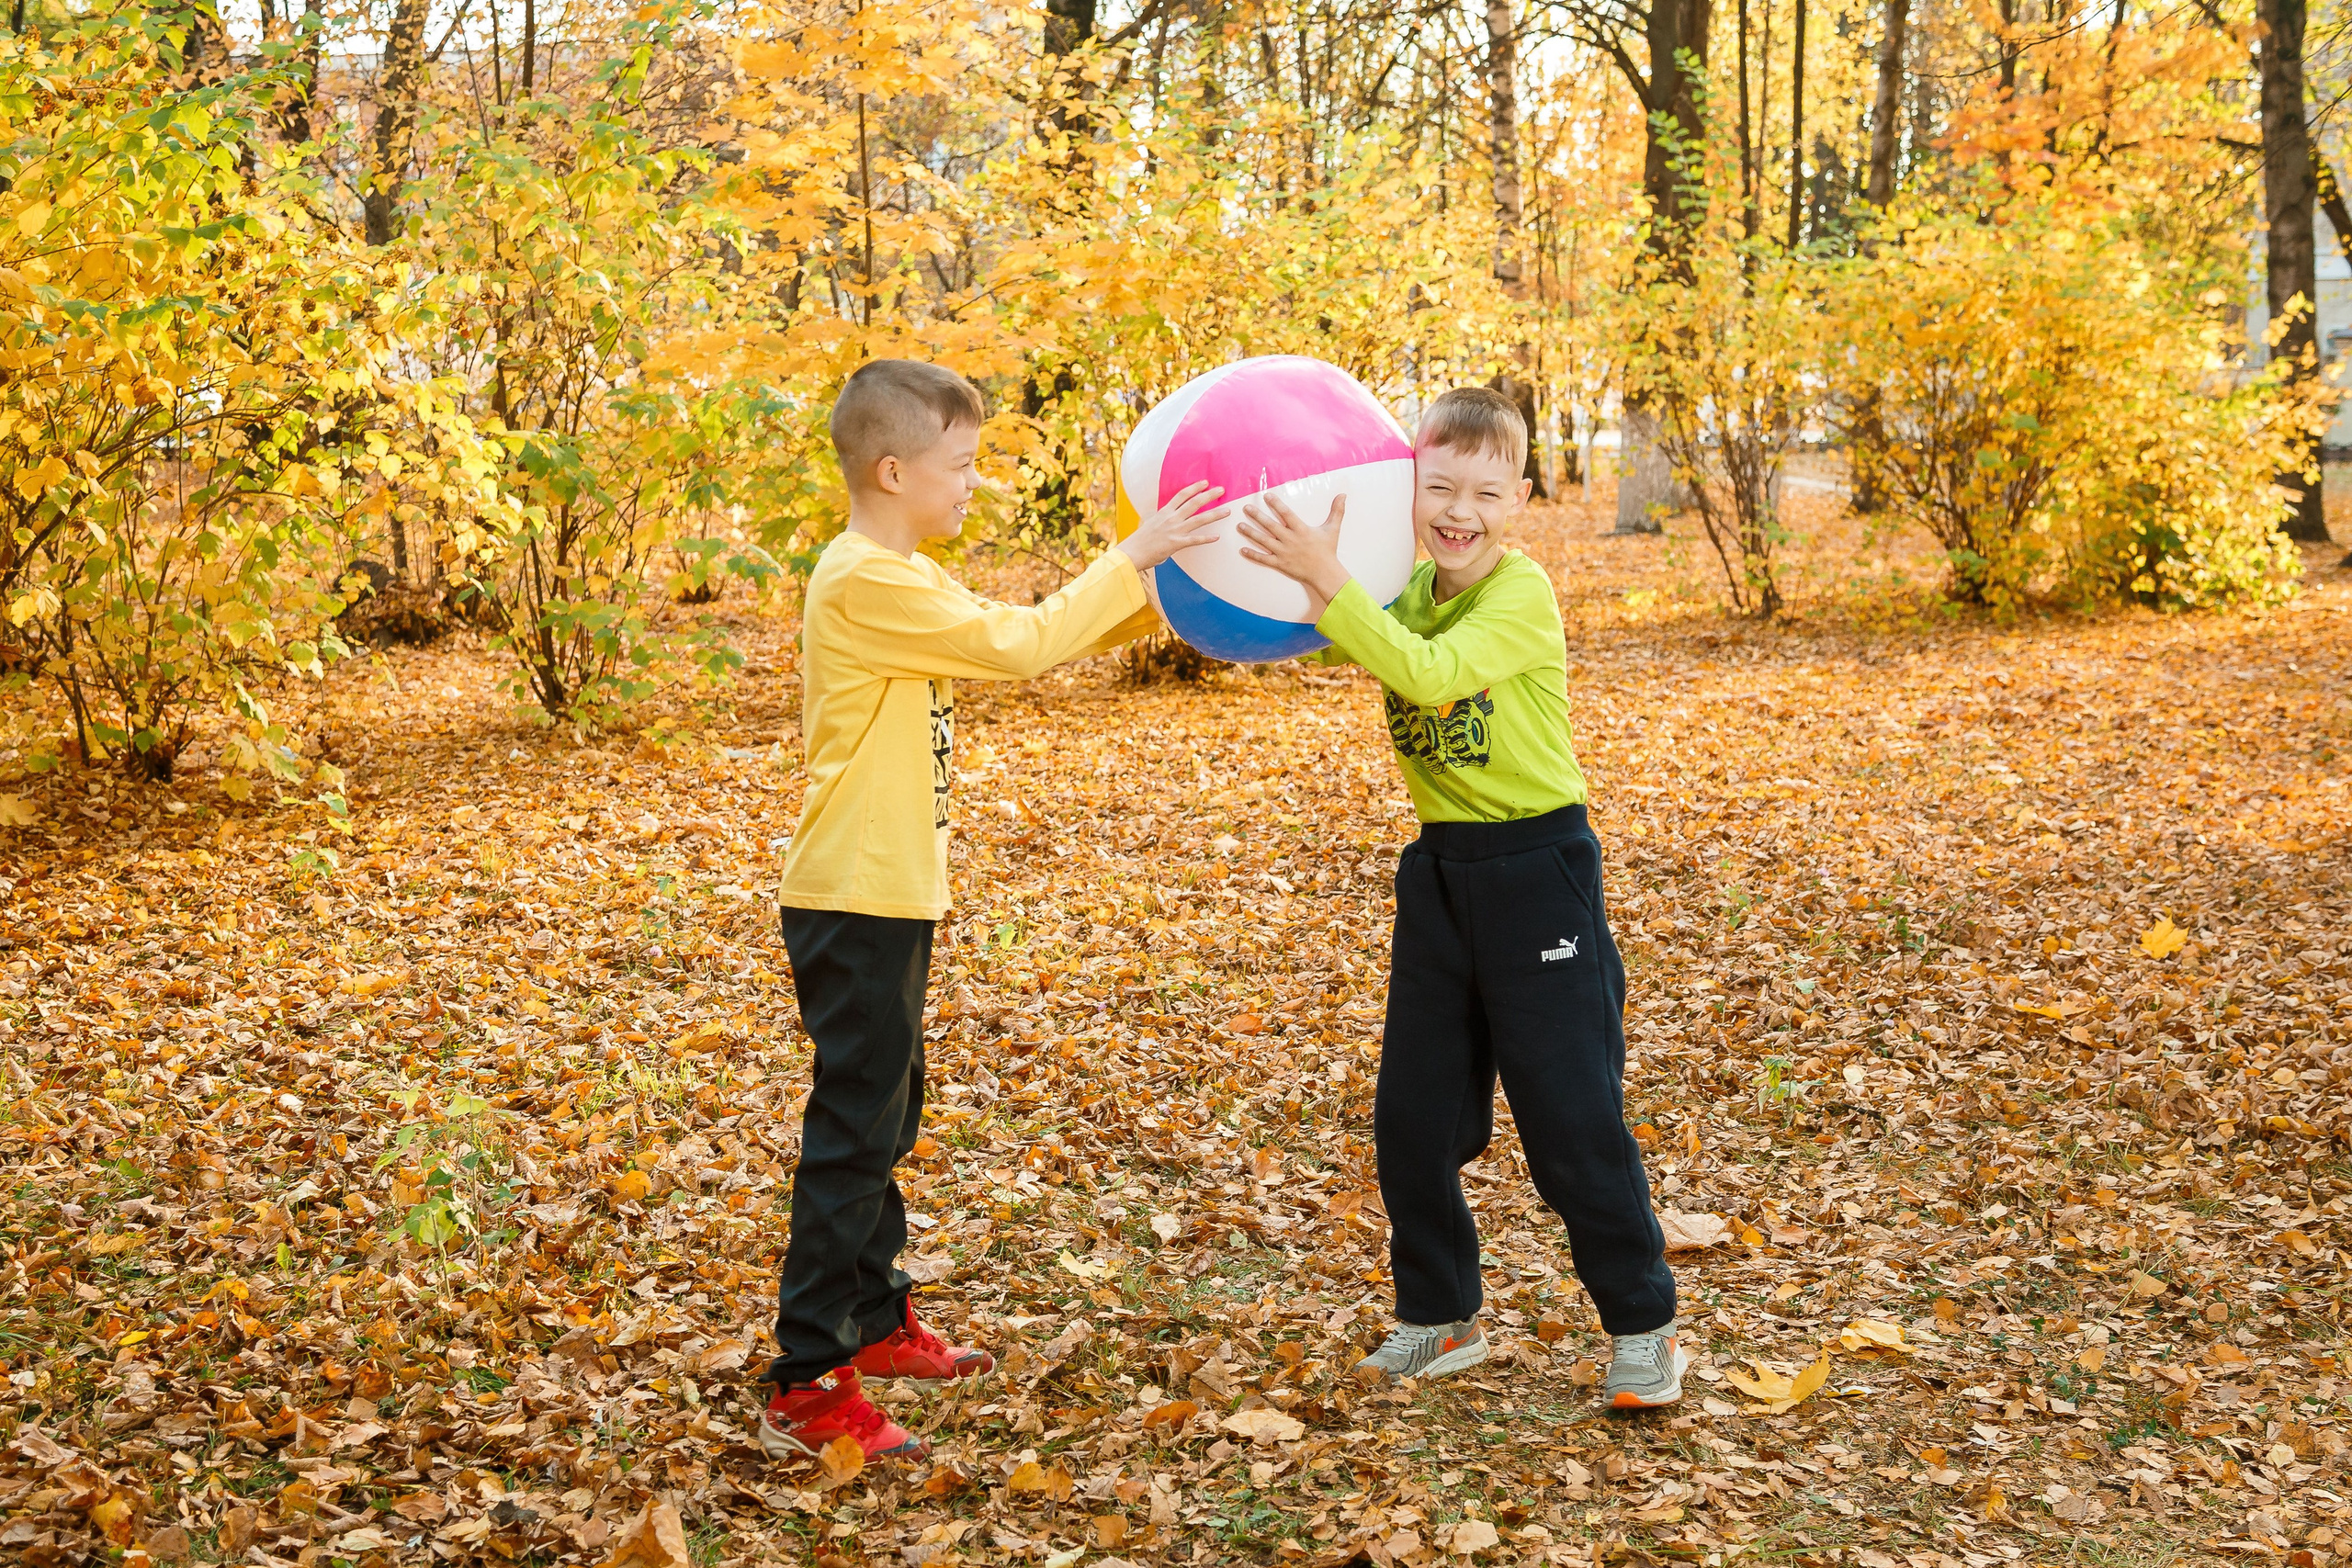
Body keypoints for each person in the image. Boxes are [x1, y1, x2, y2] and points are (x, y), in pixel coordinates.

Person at [761, 359, 1229, 1461]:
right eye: (960, 465)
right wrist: (1135, 554)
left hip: (887, 893)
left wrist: (1161, 587)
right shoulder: (867, 581)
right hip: (853, 896)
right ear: (890, 470)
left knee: (886, 1120)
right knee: (853, 1136)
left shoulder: (901, 574)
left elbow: (1032, 631)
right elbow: (1018, 648)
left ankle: (872, 1323)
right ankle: (807, 1377)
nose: (974, 484)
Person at [1235, 386, 1683, 1410]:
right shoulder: (1400, 588)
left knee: (1570, 1124)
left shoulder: (1519, 593)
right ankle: (1439, 1320)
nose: (1459, 511)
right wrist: (1298, 555)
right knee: (1415, 1118)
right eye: (1439, 488)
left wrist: (1330, 583)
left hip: (1540, 875)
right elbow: (1325, 621)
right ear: (1409, 489)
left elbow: (1429, 678)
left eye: (1484, 492)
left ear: (1518, 497)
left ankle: (1644, 1327)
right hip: (1441, 876)